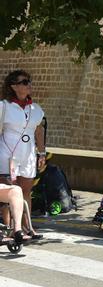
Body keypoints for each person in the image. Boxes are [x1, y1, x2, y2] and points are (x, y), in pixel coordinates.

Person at [0, 70, 46, 240]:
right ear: (13, 86)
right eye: (24, 82)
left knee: (26, 190)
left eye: (29, 81)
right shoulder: (3, 106)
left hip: (28, 153)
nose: (29, 85)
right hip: (7, 153)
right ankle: (10, 228)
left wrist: (42, 153)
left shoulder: (36, 108)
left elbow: (39, 131)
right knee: (10, 191)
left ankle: (27, 227)